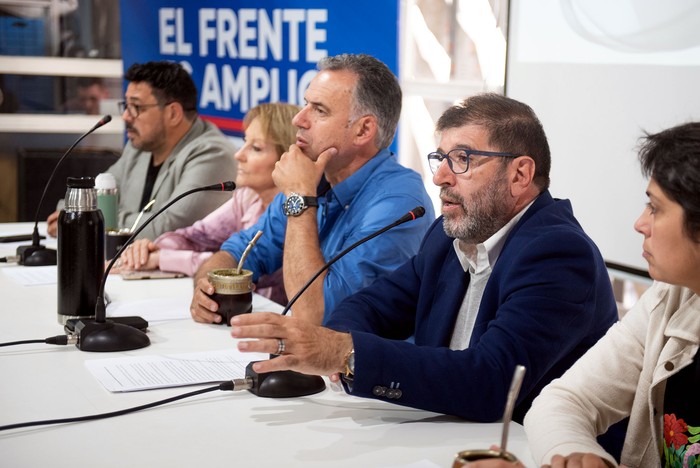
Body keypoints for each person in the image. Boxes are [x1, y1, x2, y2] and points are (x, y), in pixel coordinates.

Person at [228, 93, 618, 424]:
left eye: (462, 158)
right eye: (440, 158)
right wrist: (336, 345)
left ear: (520, 174)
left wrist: (346, 354)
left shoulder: (558, 255)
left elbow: (493, 381)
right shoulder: (448, 238)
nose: (440, 177)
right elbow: (369, 306)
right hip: (443, 434)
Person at [190, 53, 435, 325]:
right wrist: (207, 285)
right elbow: (243, 251)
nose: (299, 119)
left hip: (366, 363)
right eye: (305, 103)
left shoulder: (399, 203)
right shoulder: (313, 176)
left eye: (319, 110)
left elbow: (316, 315)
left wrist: (299, 198)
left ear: (363, 130)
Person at [523, 122, 700, 468]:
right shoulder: (669, 297)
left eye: (655, 207)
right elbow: (563, 401)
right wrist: (585, 459)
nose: (640, 223)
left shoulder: (554, 248)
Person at [115, 102, 301, 305]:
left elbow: (248, 274)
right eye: (244, 142)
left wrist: (163, 258)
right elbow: (192, 237)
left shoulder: (299, 210)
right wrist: (149, 252)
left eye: (256, 148)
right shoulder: (247, 197)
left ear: (287, 158)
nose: (239, 154)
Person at [46, 61, 237, 239]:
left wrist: (85, 220)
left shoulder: (213, 154)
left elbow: (169, 228)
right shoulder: (140, 146)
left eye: (137, 107)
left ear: (173, 113)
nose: (126, 116)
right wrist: (80, 213)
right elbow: (99, 194)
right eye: (126, 106)